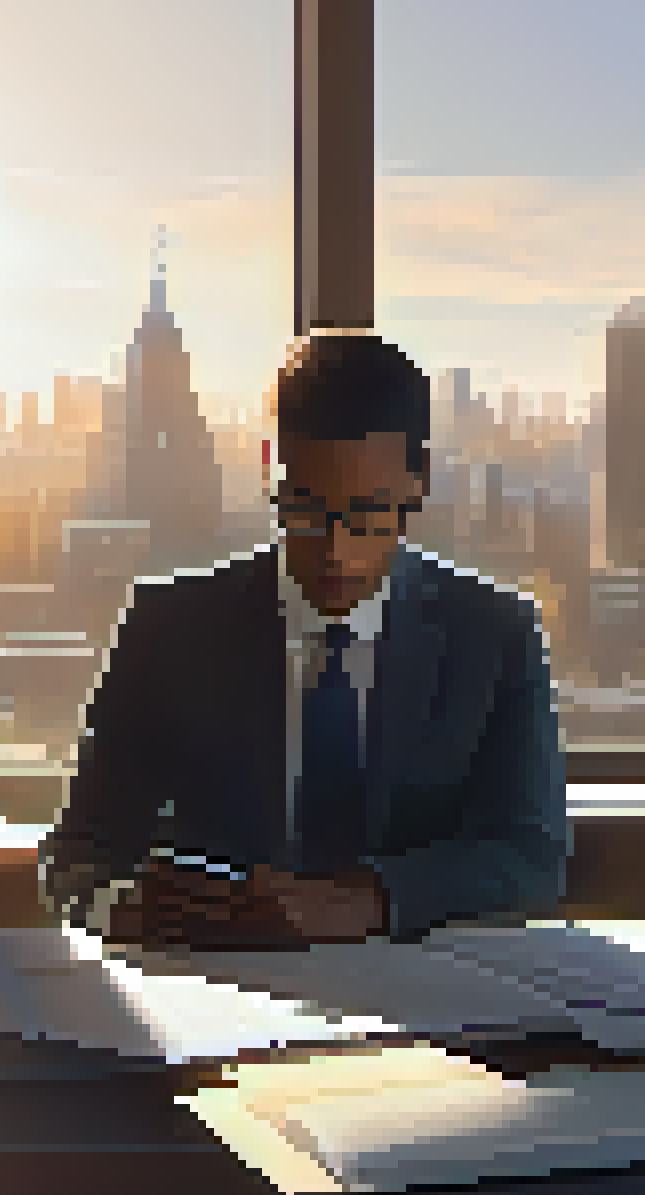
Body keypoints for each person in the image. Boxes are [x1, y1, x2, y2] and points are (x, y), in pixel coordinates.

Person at [39, 333, 568, 952]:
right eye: (304, 512)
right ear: (269, 469)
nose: (335, 551)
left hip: (423, 1002)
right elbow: (77, 854)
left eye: (367, 516)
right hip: (219, 992)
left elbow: (531, 856)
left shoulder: (495, 634)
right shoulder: (168, 628)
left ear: (417, 484)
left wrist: (365, 901)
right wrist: (117, 906)